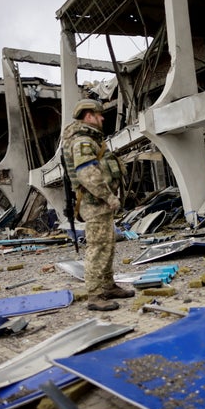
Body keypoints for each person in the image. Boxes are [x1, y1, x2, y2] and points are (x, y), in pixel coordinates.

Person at [61, 98, 135, 311]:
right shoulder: (82, 142)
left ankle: (107, 285)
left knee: (107, 246)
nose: (103, 118)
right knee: (98, 248)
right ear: (88, 116)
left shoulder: (89, 139)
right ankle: (94, 295)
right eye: (99, 114)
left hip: (99, 203)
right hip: (95, 203)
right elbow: (87, 174)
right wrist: (109, 196)